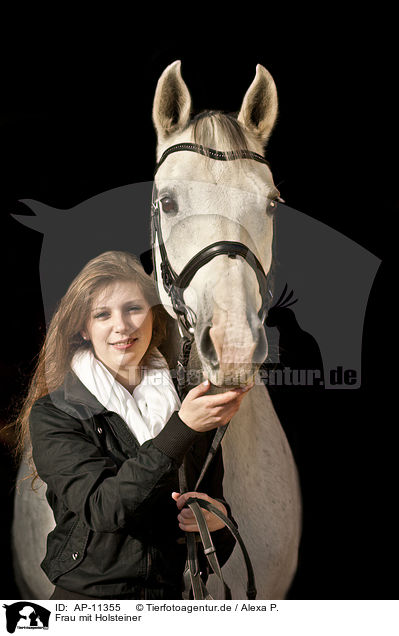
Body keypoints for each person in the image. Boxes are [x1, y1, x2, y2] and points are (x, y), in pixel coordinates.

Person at [15, 250, 252, 600]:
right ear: (83, 327)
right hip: (88, 601)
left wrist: (218, 519)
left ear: (153, 317)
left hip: (169, 598)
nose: (122, 326)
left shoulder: (188, 404)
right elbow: (103, 508)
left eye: (133, 309)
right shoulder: (55, 413)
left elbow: (206, 520)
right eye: (102, 314)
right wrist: (182, 428)